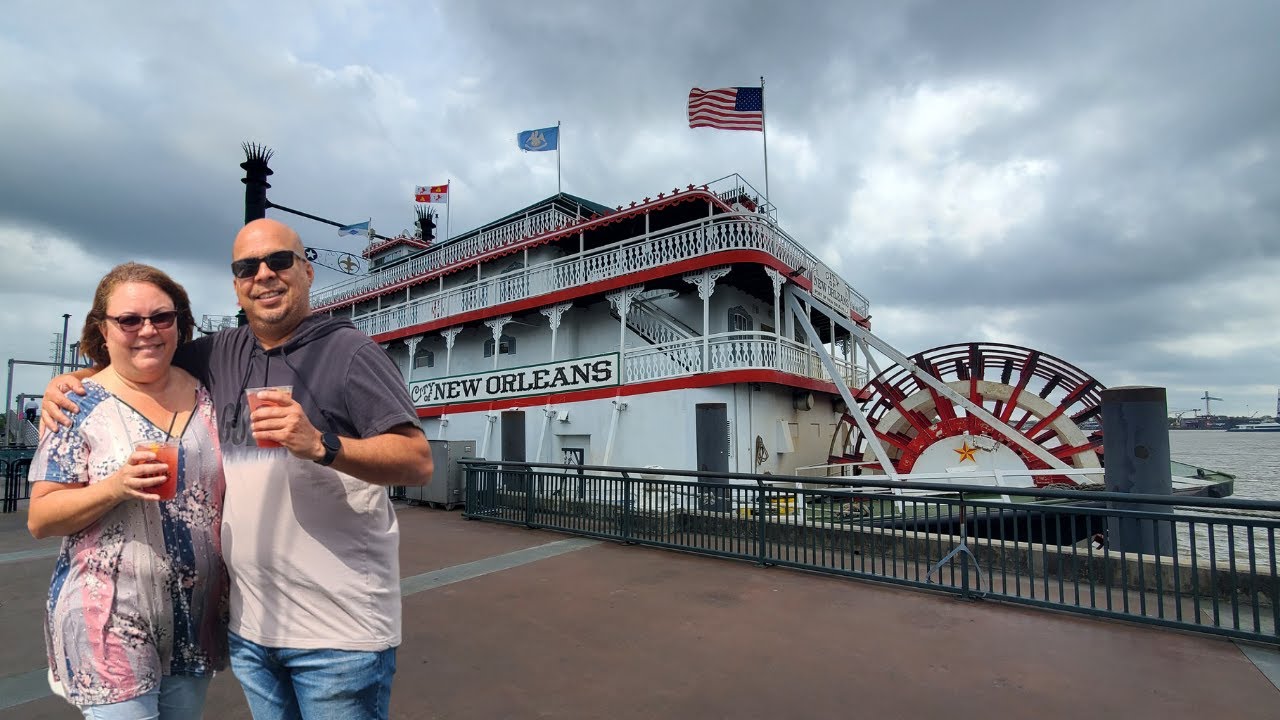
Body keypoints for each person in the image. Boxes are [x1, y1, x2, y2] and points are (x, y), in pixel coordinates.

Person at [43, 218, 434, 720]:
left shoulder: (350, 353)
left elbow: (418, 461)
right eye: (247, 266)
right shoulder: (221, 352)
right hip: (251, 631)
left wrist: (321, 444)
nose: (264, 274)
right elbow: (140, 352)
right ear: (236, 284)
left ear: (308, 271)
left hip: (339, 635)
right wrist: (76, 379)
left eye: (280, 261)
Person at [28, 263, 227, 719]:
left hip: (193, 618)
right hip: (107, 614)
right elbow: (41, 518)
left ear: (180, 322)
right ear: (102, 328)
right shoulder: (77, 403)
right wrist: (115, 487)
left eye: (162, 317)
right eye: (129, 320)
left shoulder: (210, 394)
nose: (148, 331)